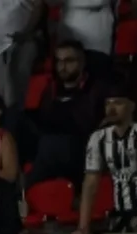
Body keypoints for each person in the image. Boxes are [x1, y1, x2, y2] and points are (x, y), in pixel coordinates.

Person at [72, 85, 137, 234]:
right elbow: (90, 183)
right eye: (108, 104)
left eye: (118, 103)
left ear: (131, 106)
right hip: (120, 213)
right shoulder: (98, 137)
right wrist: (83, 226)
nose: (111, 109)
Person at [30, 43, 107, 184]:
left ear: (82, 63)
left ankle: (27, 191)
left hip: (82, 146)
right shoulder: (51, 89)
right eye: (58, 61)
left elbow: (94, 122)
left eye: (69, 61)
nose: (62, 66)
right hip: (51, 144)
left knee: (49, 144)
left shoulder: (96, 89)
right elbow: (43, 119)